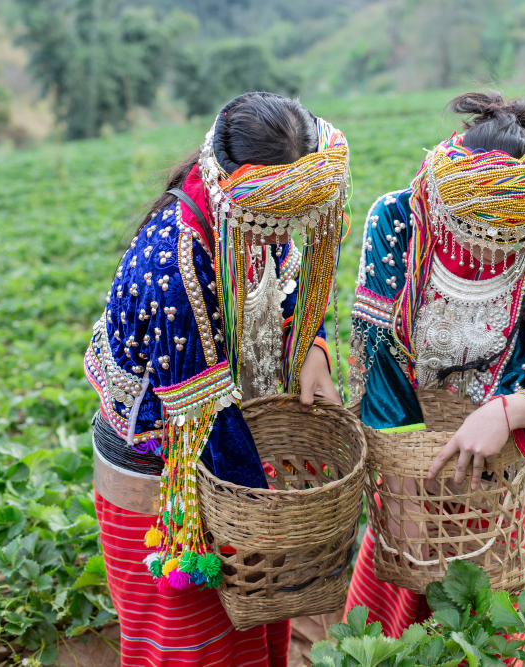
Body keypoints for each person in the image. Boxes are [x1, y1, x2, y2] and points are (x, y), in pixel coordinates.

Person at [84, 92, 347, 666]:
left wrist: (314, 350)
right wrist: (279, 523)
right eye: (273, 225)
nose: (282, 238)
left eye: (290, 225)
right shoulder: (174, 264)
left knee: (253, 633)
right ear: (234, 192)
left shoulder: (248, 219)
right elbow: (205, 421)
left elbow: (295, 282)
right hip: (164, 476)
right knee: (191, 649)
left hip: (233, 450)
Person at [344, 91, 525, 636]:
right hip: (411, 464)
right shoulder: (400, 220)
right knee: (387, 624)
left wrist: (508, 412)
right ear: (446, 203)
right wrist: (411, 472)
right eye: (477, 230)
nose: (494, 249)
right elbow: (378, 358)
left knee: (483, 628)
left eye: (513, 237)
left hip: (502, 476)